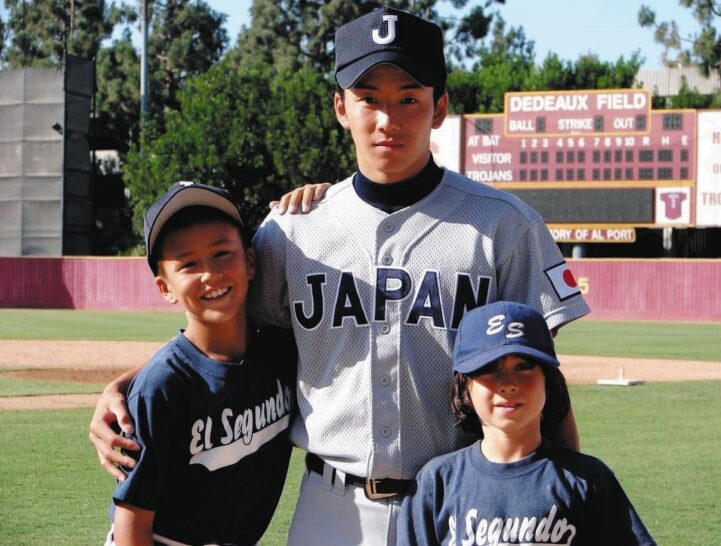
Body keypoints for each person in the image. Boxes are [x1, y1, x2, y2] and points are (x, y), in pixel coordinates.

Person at [90, 7, 591, 546]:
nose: (387, 119)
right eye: (368, 97)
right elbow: (225, 336)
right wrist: (128, 385)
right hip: (332, 505)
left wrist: (569, 495)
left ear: (439, 107)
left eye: (408, 98)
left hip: (462, 495)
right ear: (340, 107)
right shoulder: (291, 231)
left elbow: (544, 377)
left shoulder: (504, 225)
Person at [104, 181, 296, 546]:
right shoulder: (161, 387)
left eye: (222, 253)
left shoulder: (278, 353)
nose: (209, 273)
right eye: (189, 264)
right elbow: (133, 525)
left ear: (250, 260)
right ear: (165, 288)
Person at [397, 301, 656, 546]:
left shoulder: (587, 479)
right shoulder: (437, 482)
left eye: (524, 366)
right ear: (465, 388)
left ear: (549, 381)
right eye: (489, 368)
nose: (508, 383)